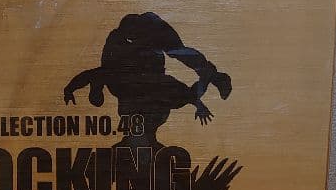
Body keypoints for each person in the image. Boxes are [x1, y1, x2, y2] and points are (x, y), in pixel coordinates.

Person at [63, 12, 232, 143]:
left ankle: (214, 76)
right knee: (174, 68)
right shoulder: (121, 76)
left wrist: (69, 89)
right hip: (139, 62)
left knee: (176, 52)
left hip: (147, 37)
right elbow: (184, 93)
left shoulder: (119, 74)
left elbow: (90, 75)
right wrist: (198, 103)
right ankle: (212, 76)